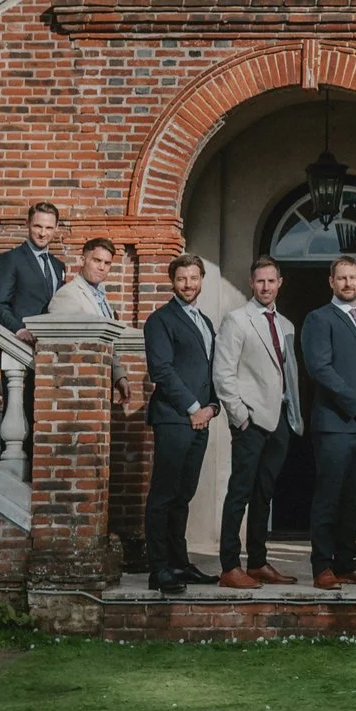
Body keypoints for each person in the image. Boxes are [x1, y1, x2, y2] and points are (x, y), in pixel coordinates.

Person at [299, 256, 356, 590]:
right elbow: (320, 369)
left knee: (355, 497)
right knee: (329, 496)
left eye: (352, 277)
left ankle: (346, 563)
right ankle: (322, 566)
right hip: (335, 424)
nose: (348, 283)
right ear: (331, 282)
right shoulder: (318, 319)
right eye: (341, 278)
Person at [212, 256, 301, 589]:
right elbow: (223, 373)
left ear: (280, 283)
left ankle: (258, 562)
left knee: (265, 493)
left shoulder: (286, 325)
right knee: (240, 492)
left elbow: (288, 374)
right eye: (260, 281)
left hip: (280, 420)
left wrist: (293, 416)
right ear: (252, 283)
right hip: (250, 421)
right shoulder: (237, 320)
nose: (266, 287)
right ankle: (230, 566)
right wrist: (240, 416)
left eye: (271, 281)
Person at [142, 253, 219, 595]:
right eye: (182, 278)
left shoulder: (205, 321)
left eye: (194, 278)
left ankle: (178, 563)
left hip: (201, 420)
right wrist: (193, 408)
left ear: (202, 280)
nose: (188, 284)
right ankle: (158, 569)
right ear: (172, 281)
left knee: (183, 495)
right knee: (164, 494)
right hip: (174, 418)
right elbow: (161, 371)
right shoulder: (160, 320)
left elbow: (210, 370)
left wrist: (212, 406)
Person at [46, 237, 134, 409]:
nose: (102, 267)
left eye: (107, 263)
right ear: (82, 260)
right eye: (97, 260)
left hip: (100, 384)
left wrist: (119, 376)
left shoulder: (101, 296)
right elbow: (64, 350)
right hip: (76, 390)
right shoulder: (68, 295)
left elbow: (109, 343)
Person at [0, 202, 68, 343]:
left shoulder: (58, 266)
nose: (43, 233)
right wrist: (18, 330)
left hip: (51, 345)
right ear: (27, 224)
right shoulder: (10, 259)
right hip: (19, 344)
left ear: (56, 228)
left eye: (49, 228)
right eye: (38, 226)